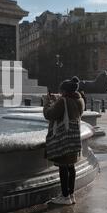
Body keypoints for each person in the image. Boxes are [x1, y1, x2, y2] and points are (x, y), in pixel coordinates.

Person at [44, 77, 85, 205]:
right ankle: (71, 194)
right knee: (71, 166)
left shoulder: (64, 101)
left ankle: (65, 196)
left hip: (64, 137)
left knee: (63, 167)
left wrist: (47, 103)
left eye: (61, 91)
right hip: (74, 136)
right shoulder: (80, 99)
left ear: (64, 91)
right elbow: (70, 110)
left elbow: (49, 115)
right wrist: (58, 101)